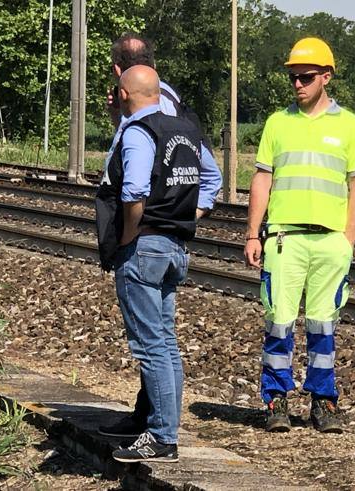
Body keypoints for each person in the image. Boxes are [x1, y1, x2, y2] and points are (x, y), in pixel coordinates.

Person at [95, 65, 221, 463]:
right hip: (175, 249)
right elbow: (212, 182)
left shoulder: (138, 132)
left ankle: (162, 436)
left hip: (145, 249)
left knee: (150, 347)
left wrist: (131, 236)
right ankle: (158, 425)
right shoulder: (186, 130)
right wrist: (185, 218)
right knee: (165, 343)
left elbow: (133, 191)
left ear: (125, 94)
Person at [244, 38, 355, 434]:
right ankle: (275, 399)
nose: (297, 84)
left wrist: (347, 238)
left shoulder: (349, 125)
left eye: (306, 77)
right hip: (284, 239)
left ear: (326, 77)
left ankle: (323, 401)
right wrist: (252, 234)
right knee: (278, 322)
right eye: (293, 77)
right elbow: (262, 179)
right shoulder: (277, 123)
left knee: (323, 324)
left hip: (330, 241)